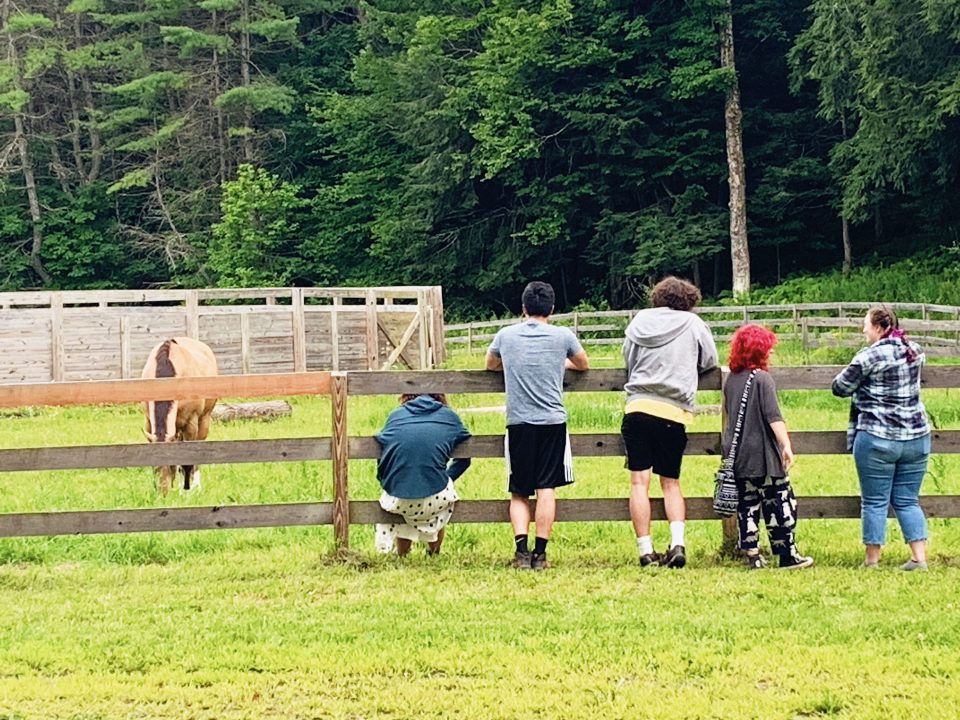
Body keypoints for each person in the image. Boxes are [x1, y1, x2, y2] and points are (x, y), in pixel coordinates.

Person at [485, 281, 590, 571]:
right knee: (547, 487)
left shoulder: (506, 335)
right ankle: (540, 554)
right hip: (552, 421)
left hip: (518, 421)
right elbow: (582, 364)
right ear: (552, 309)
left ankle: (521, 552)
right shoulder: (562, 336)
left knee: (519, 490)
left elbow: (490, 364)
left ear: (523, 308)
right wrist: (560, 364)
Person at [621, 276, 718, 568]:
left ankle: (645, 550)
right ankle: (677, 544)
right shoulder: (693, 324)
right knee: (671, 483)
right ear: (688, 300)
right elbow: (710, 360)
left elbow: (628, 359)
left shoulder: (639, 322)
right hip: (674, 412)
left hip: (638, 407)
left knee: (639, 482)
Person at [832, 307, 931, 571]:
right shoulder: (915, 349)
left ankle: (872, 560)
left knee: (874, 500)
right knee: (908, 499)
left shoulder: (868, 356)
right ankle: (919, 558)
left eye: (865, 325)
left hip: (877, 436)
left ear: (878, 327)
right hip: (917, 436)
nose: (863, 330)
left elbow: (839, 387)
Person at [723, 325, 813, 569]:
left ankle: (752, 555)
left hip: (739, 455)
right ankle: (787, 554)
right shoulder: (762, 378)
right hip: (763, 456)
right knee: (779, 502)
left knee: (747, 504)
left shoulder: (731, 380)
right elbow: (773, 416)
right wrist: (786, 445)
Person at [374, 393, 471, 556]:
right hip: (436, 499)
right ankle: (434, 552)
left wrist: (387, 481)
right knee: (441, 498)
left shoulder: (396, 416)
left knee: (405, 496)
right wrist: (446, 477)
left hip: (397, 500)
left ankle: (403, 554)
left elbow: (382, 455)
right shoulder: (449, 417)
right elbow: (465, 459)